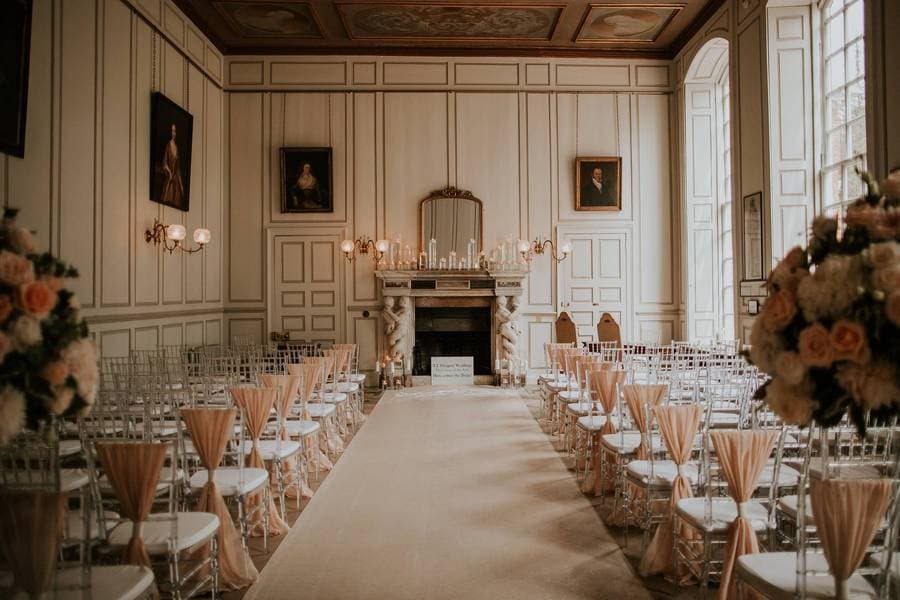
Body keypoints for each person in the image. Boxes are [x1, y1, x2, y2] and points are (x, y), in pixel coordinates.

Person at [160, 123, 185, 208]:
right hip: (170, 178)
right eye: (171, 131)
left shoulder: (177, 148)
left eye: (174, 131)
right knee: (167, 198)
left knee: (177, 200)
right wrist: (169, 172)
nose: (173, 133)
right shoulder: (168, 145)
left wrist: (181, 185)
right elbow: (164, 163)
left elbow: (178, 168)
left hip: (176, 180)